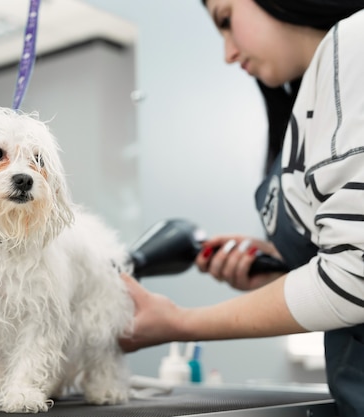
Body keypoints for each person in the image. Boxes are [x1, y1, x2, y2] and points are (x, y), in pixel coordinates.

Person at [119, 1, 364, 416]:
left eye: (226, 20)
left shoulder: (355, 40)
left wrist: (179, 322)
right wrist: (284, 268)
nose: (228, 53)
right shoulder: (312, 102)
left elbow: (357, 275)